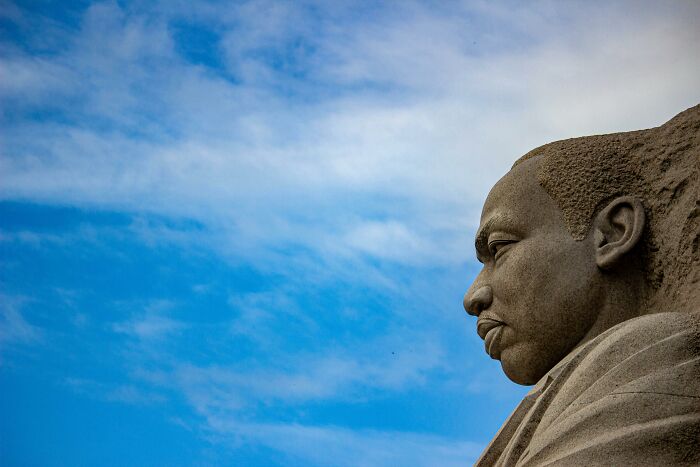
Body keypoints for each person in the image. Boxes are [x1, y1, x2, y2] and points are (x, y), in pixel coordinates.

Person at [463, 104, 700, 466]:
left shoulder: (657, 354)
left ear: (612, 233)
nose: (473, 296)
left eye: (500, 248)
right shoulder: (570, 392)